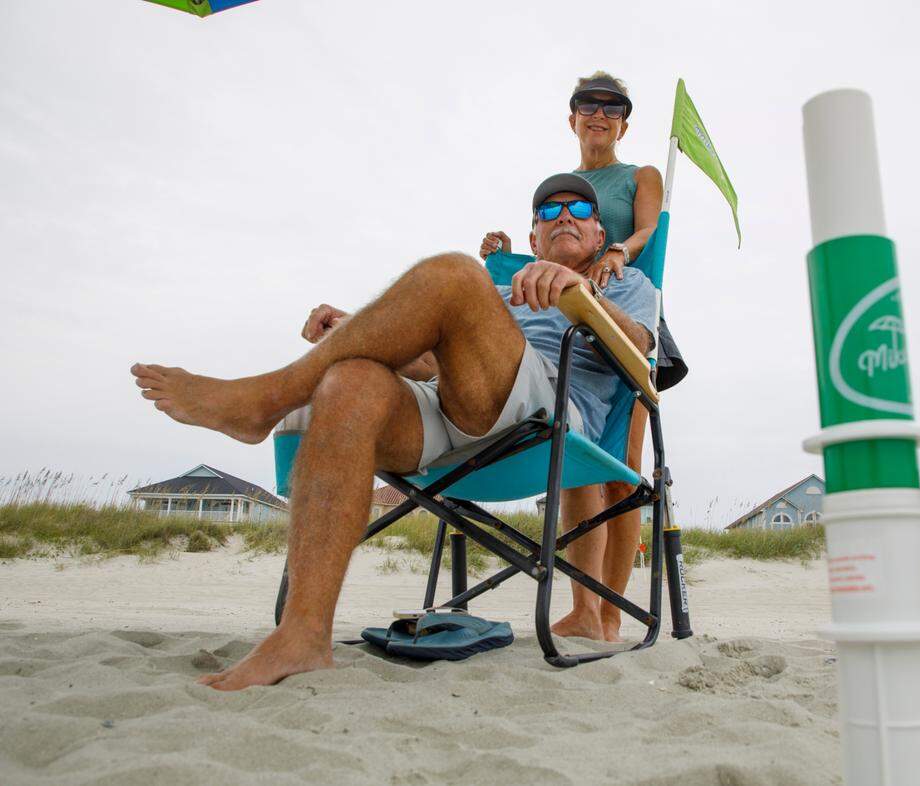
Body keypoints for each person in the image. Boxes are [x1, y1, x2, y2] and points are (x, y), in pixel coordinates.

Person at [130, 173, 656, 690]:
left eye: (580, 210)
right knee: (349, 381)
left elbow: (640, 347)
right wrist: (355, 331)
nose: (564, 215)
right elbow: (428, 365)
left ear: (598, 237)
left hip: (546, 414)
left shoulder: (627, 284)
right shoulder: (497, 293)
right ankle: (303, 635)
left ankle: (267, 398)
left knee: (453, 273)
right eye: (549, 211)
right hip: (458, 407)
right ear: (534, 238)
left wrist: (583, 295)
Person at [479, 71, 687, 642]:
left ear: (623, 120)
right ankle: (587, 607)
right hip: (557, 321)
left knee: (620, 469)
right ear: (571, 117)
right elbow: (550, 250)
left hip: (620, 313)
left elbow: (649, 232)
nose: (599, 114)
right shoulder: (563, 193)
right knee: (581, 454)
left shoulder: (637, 175)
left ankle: (609, 611)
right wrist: (505, 257)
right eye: (587, 105)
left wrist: (619, 251)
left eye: (612, 106)